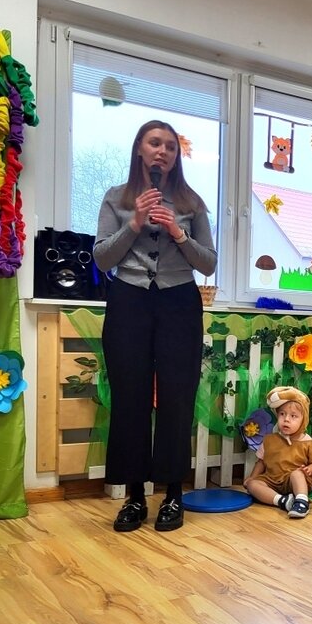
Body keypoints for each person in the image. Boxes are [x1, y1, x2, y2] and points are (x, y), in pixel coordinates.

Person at [93, 119, 216, 533]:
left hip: (179, 302)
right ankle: (133, 497)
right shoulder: (116, 198)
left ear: (176, 156)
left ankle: (173, 494)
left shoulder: (192, 202)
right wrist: (135, 222)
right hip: (129, 300)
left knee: (177, 397)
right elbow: (102, 259)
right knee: (130, 396)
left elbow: (208, 263)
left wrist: (178, 232)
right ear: (140, 149)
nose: (163, 151)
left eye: (170, 146)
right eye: (155, 143)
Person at [243, 386, 312, 518]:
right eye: (282, 414)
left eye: (293, 416)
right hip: (271, 480)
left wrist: (310, 470)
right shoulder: (269, 440)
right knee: (252, 485)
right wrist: (253, 477)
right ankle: (283, 501)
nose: (286, 419)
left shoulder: (307, 442)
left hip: (293, 480)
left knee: (297, 474)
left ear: (303, 420)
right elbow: (261, 462)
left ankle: (302, 501)